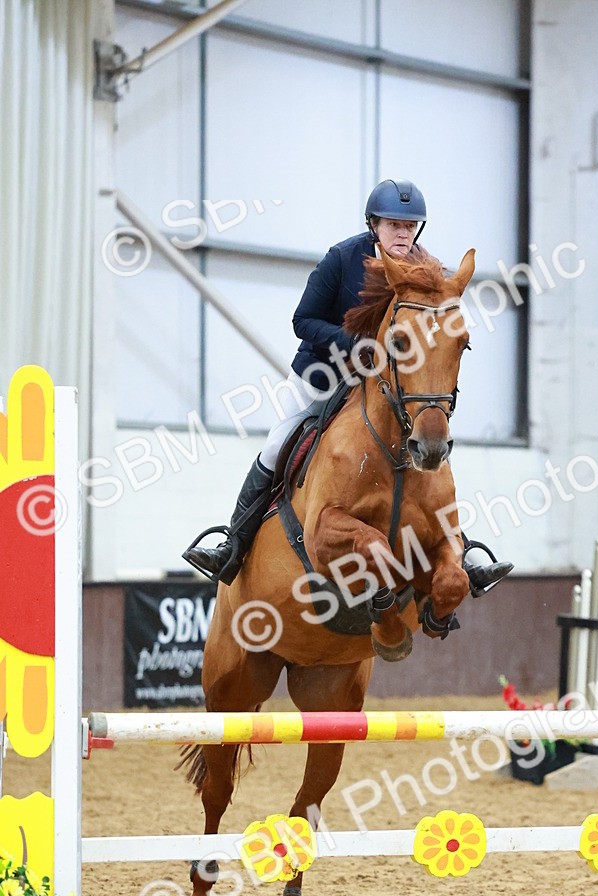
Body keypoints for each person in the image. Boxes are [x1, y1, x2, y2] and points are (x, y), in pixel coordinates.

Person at [183, 179, 513, 594]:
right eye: (393, 224)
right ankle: (232, 545)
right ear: (373, 225)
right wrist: (356, 344)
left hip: (388, 386)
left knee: (430, 446)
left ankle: (461, 552)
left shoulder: (427, 271)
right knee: (276, 443)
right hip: (323, 374)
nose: (402, 234)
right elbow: (302, 320)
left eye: (410, 227)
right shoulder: (341, 258)